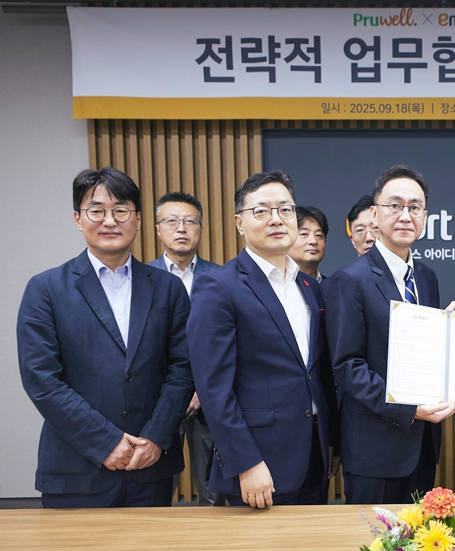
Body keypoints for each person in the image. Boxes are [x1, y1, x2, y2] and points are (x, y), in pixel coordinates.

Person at [17, 167, 194, 508]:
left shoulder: (168, 288)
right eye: (96, 211)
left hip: (150, 467)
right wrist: (105, 441)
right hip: (76, 469)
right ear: (78, 219)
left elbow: (183, 369)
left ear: (138, 220)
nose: (110, 221)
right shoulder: (46, 289)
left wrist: (156, 437)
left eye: (121, 211)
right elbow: (41, 380)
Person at [187, 170, 339, 508]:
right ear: (239, 223)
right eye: (261, 211)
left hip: (313, 456)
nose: (276, 219)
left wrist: (331, 442)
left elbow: (316, 374)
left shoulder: (309, 287)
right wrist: (246, 462)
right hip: (259, 464)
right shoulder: (219, 286)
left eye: (285, 209)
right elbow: (213, 388)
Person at [327, 165, 455, 504]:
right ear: (375, 213)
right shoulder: (350, 279)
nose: (405, 215)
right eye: (394, 205)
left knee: (422, 530)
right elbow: (347, 366)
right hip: (374, 448)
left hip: (422, 444)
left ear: (425, 217)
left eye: (414, 207)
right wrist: (409, 408)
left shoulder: (426, 277)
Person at [147, 191, 223, 506]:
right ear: (157, 229)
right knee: (156, 489)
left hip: (210, 399)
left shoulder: (222, 278)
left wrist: (201, 391)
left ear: (201, 229)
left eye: (190, 221)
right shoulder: (142, 279)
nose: (181, 228)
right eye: (172, 221)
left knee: (214, 493)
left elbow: (228, 342)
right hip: (159, 399)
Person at [289, 206, 328, 283]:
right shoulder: (273, 284)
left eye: (318, 235)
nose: (313, 241)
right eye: (304, 234)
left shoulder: (331, 286)